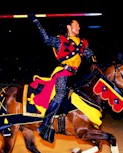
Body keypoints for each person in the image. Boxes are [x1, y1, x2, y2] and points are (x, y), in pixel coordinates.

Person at [28, 14, 97, 143]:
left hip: (75, 75)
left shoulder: (82, 43)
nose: (79, 27)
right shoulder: (61, 41)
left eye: (78, 25)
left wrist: (94, 61)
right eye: (76, 25)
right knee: (59, 95)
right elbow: (47, 40)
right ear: (69, 27)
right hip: (63, 73)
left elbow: (89, 54)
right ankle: (45, 125)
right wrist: (36, 22)